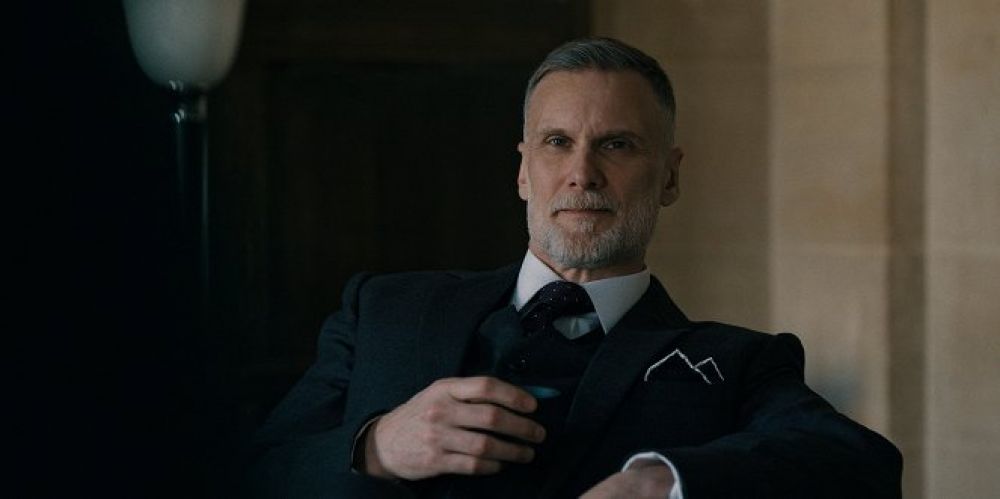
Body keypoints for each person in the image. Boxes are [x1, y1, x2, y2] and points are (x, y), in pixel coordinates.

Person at [247, 37, 902, 498]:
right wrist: (378, 446)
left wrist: (663, 482)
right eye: (557, 142)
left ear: (669, 177)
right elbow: (254, 472)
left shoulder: (739, 364)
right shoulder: (383, 309)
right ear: (523, 171)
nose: (582, 173)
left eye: (617, 144)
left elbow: (862, 465)